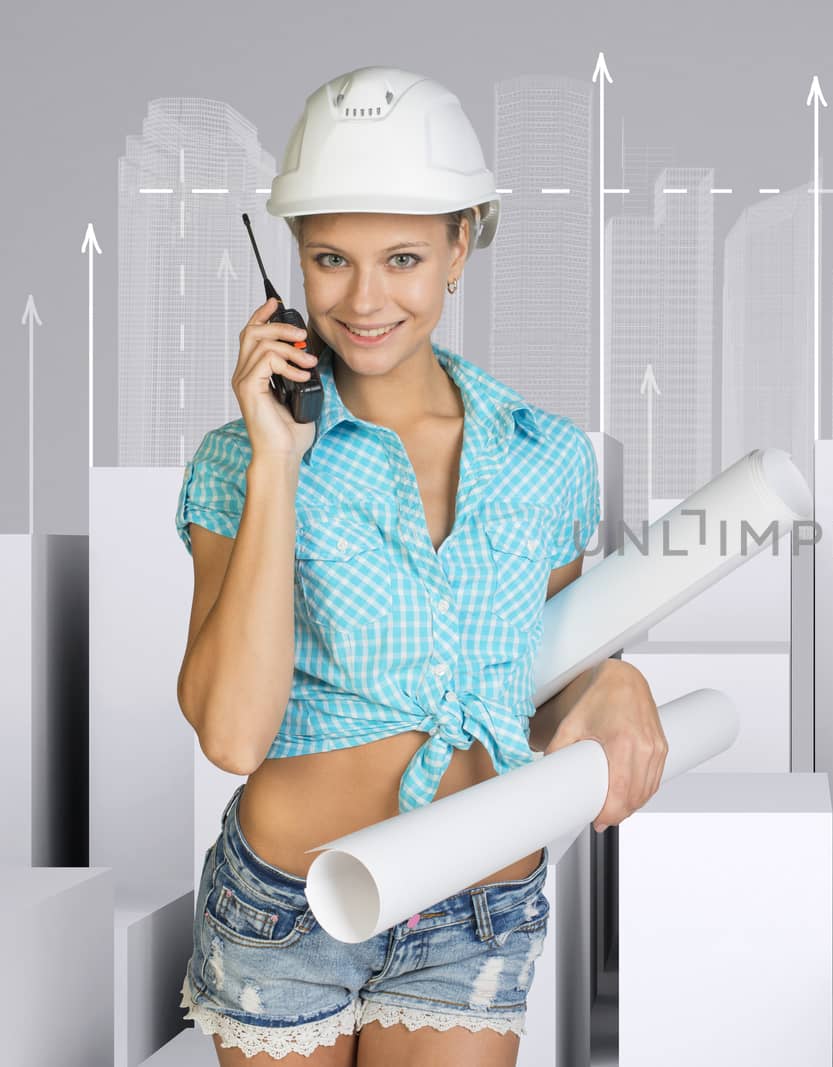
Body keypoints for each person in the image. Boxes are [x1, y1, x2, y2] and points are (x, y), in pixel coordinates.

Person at [172, 67, 667, 1065]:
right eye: (329, 259)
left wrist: (618, 677)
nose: (363, 300)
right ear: (293, 267)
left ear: (458, 247)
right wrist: (278, 458)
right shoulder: (242, 459)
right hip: (289, 903)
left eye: (400, 257)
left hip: (476, 905)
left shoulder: (547, 455)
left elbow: (547, 679)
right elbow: (231, 731)